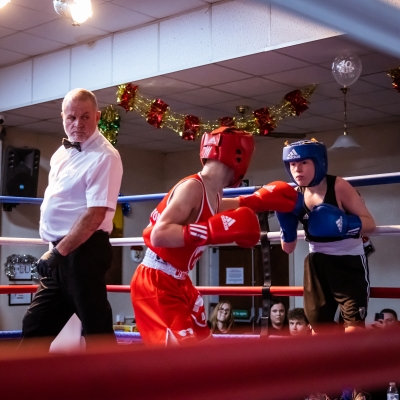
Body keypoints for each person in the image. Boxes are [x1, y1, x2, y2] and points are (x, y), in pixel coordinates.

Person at [130, 126, 303, 346]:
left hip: (179, 280)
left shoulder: (213, 191)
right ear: (239, 156)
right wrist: (209, 232)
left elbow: (219, 207)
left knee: (204, 347)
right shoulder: (192, 188)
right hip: (156, 280)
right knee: (178, 358)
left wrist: (256, 201)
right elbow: (158, 235)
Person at [20, 88, 123, 350]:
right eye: (71, 117)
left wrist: (59, 252)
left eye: (85, 117)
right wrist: (55, 251)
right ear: (62, 117)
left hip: (84, 252)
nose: (78, 124)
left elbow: (95, 214)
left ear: (97, 117)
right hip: (61, 252)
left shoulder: (105, 156)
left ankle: (113, 378)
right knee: (35, 325)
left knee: (96, 330)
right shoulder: (61, 153)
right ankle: (22, 378)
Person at [277, 139, 376, 333]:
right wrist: (286, 225)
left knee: (354, 329)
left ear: (319, 161)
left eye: (304, 162)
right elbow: (287, 249)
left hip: (348, 262)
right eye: (292, 164)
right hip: (317, 264)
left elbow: (370, 224)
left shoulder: (338, 186)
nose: (297, 169)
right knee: (319, 330)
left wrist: (343, 225)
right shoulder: (295, 195)